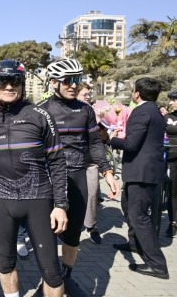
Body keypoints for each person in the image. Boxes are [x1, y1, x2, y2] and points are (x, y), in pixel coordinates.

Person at [0, 60, 68, 297]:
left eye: (15, 81)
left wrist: (60, 205)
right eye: (2, 81)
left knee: (51, 271)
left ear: (22, 83)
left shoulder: (40, 115)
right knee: (6, 263)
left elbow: (58, 162)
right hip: (1, 201)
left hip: (38, 200)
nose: (9, 86)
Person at [38, 58, 120, 295]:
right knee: (46, 233)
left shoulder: (86, 110)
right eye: (67, 80)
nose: (72, 85)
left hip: (77, 176)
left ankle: (67, 276)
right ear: (54, 82)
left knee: (73, 234)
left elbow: (94, 143)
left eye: (76, 80)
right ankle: (51, 280)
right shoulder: (41, 110)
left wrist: (107, 172)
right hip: (49, 178)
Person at [111, 78, 169, 279]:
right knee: (128, 207)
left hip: (141, 172)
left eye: (133, 90)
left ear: (137, 93)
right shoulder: (155, 110)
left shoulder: (141, 111)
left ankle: (157, 264)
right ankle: (135, 244)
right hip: (146, 171)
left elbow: (130, 144)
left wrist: (110, 139)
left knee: (139, 216)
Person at [76, 83, 102, 244]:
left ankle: (91, 226)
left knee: (92, 194)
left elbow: (96, 140)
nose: (88, 97)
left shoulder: (89, 111)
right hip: (68, 162)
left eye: (88, 94)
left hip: (89, 161)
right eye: (85, 94)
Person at [164, 89, 177, 238]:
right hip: (171, 158)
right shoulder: (167, 117)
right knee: (173, 192)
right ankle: (173, 222)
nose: (171, 102)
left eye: (174, 99)